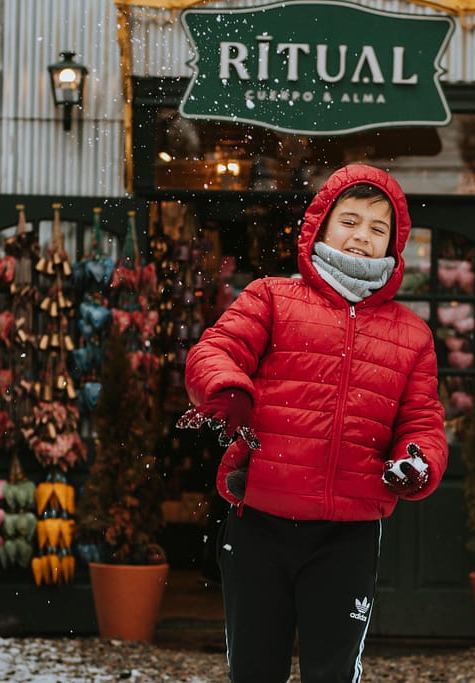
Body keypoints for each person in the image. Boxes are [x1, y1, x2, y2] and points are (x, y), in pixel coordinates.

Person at [177, 164, 447, 683]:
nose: (362, 237)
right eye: (349, 221)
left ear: (394, 243)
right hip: (260, 525)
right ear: (320, 225)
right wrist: (226, 387)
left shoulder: (412, 335)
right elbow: (215, 350)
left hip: (348, 537)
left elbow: (422, 422)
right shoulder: (272, 297)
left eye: (377, 228)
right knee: (256, 671)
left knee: (332, 673)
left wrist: (417, 462)